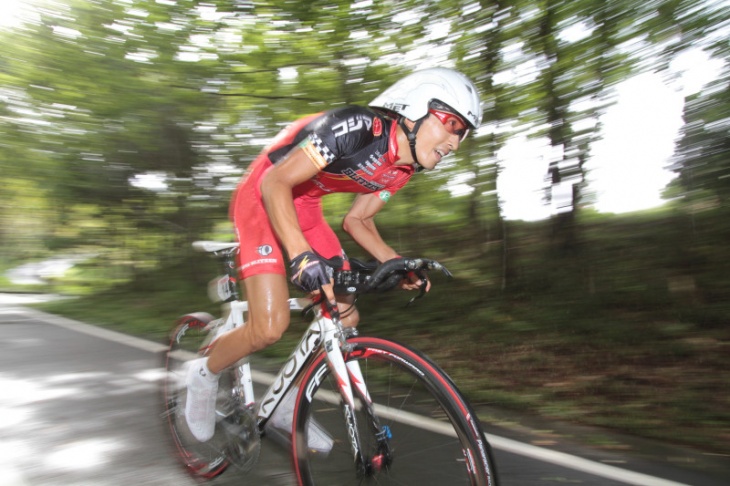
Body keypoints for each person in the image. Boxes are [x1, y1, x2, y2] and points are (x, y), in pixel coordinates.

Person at [185, 67, 483, 442]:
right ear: (416, 108)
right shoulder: (357, 127)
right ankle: (202, 373)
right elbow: (275, 182)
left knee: (345, 314)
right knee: (271, 325)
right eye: (451, 124)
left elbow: (358, 220)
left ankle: (288, 404)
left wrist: (396, 263)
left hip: (305, 207)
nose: (455, 143)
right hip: (264, 195)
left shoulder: (403, 169)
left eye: (463, 133)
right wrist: (300, 255)